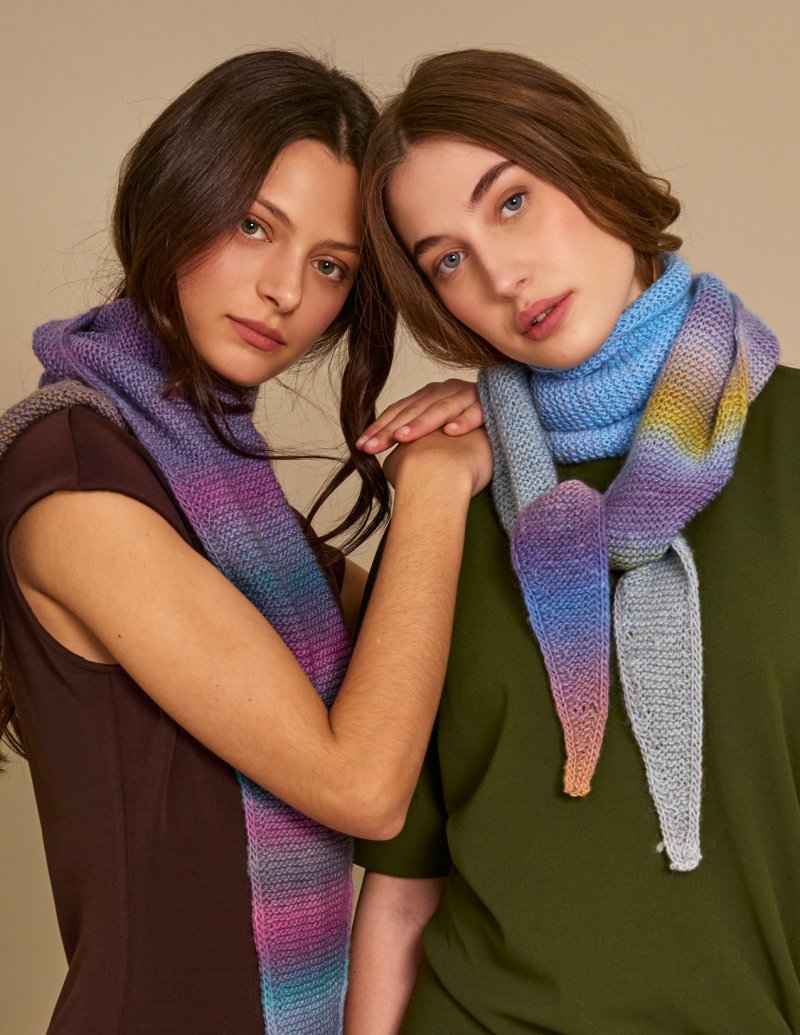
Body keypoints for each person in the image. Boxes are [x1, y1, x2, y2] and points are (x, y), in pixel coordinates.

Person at [0, 50, 491, 1035]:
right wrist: (436, 486)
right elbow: (362, 786)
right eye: (253, 225)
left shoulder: (229, 498)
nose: (282, 290)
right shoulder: (79, 478)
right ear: (174, 197)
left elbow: (432, 646)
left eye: (329, 266)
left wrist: (509, 415)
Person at [347, 48, 800, 1034]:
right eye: (447, 260)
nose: (500, 275)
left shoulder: (790, 448)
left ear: (589, 166)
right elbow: (402, 890)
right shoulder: (449, 498)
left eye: (510, 202)